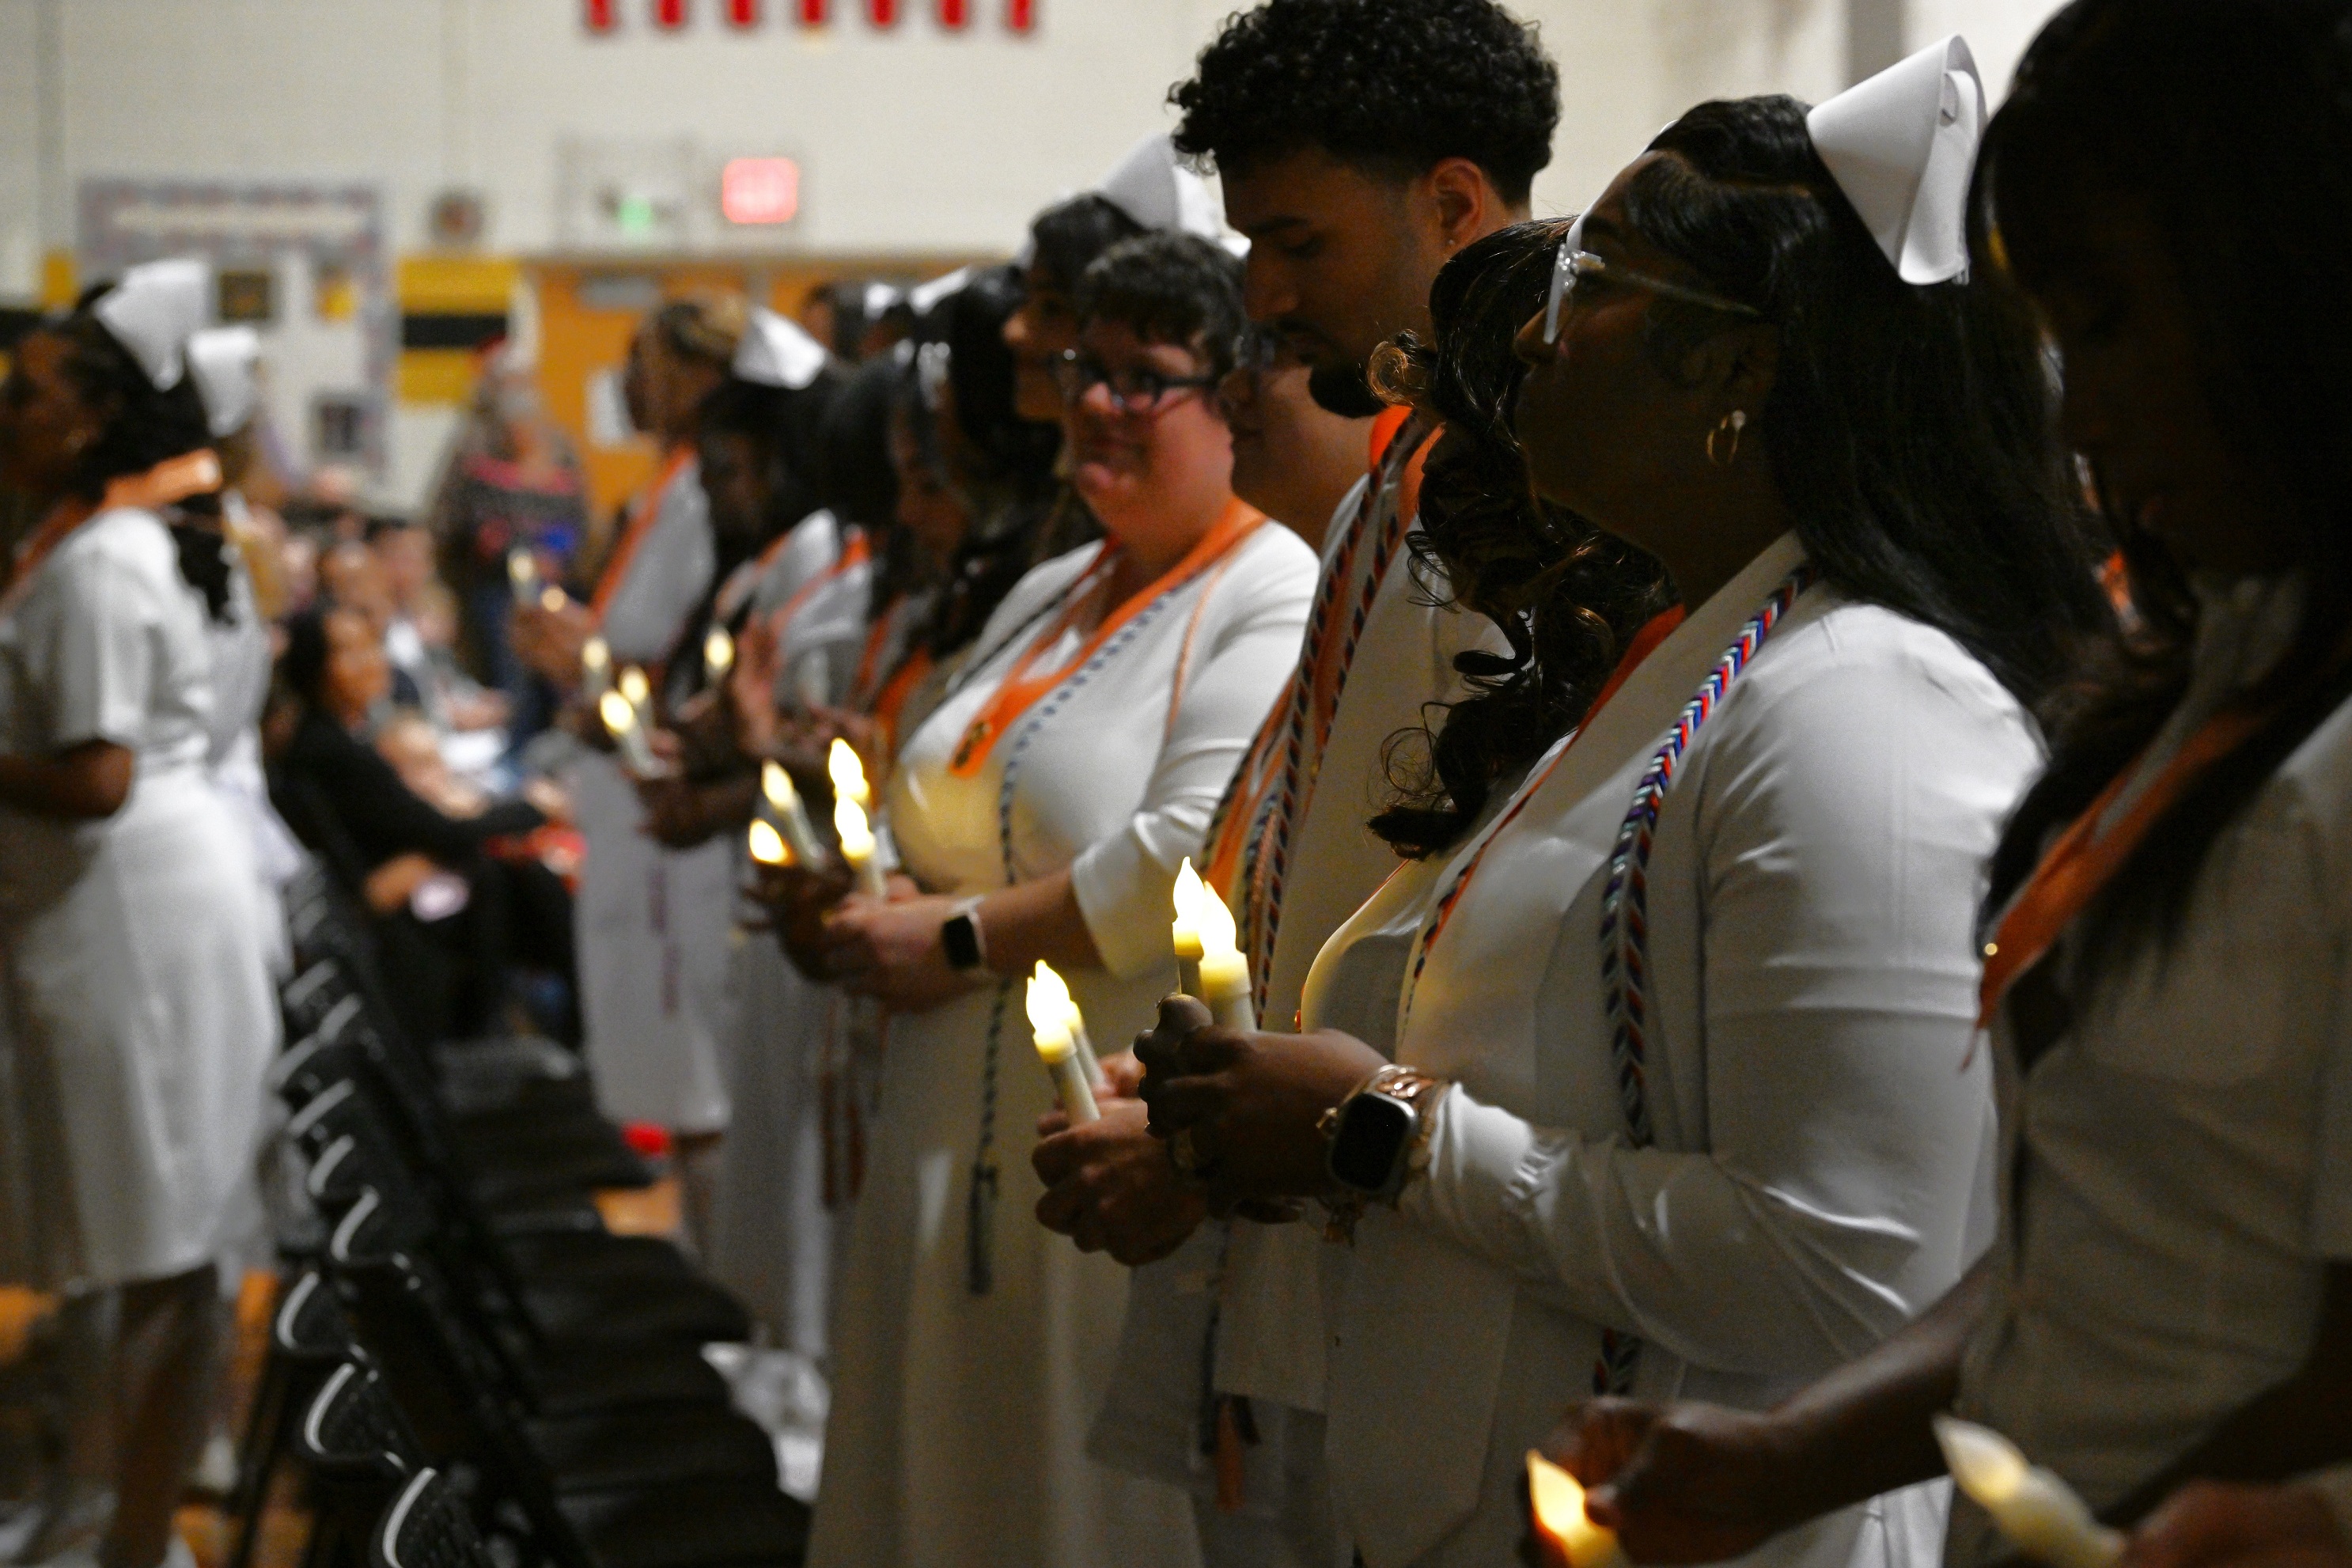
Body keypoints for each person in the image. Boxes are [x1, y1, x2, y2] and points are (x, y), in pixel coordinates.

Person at [1138, 47, 2119, 1567]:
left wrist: (1377, 1134)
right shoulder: (1697, 660)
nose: (1532, 334)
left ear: (1735, 369)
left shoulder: (1859, 705)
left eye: (1588, 282)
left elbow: (1853, 1272)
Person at [1530, 5, 2352, 1562]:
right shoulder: (2211, 677)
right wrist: (1786, 1454)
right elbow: (2078, 1252)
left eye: (2109, 322)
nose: (2079, 416)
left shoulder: (1876, 696)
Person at [1034, 3, 1555, 1559]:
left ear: (1451, 205)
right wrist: (1208, 1111)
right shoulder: (1397, 473)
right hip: (1317, 1197)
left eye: (1295, 243)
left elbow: (1499, 938)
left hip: (1440, 1224)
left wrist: (1247, 1135)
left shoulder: (1556, 503)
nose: (1260, 294)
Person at [803, 232, 1318, 1568]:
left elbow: (1178, 852)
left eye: (1144, 376)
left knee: (1067, 1507)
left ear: (1234, 396)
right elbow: (928, 785)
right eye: (1086, 366)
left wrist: (954, 933)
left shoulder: (1272, 584)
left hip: (1100, 1124)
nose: (1095, 400)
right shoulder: (1054, 582)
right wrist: (874, 880)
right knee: (928, 1486)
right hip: (931, 1114)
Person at [0, 261, 277, 1568]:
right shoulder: (104, 543)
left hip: (135, 913)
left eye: (31, 393)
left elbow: (97, 774)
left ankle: (135, 1536)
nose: (9, 412)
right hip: (134, 904)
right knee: (139, 1237)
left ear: (100, 416)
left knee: (159, 1244)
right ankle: (111, 1513)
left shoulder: (105, 561)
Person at [513, 296, 744, 1242]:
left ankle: (721, 1281)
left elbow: (686, 662)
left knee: (698, 1075)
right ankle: (696, 1258)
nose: (633, 385)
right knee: (669, 1072)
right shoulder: (663, 484)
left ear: (703, 372)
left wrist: (589, 662)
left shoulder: (706, 492)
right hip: (624, 790)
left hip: (671, 808)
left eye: (650, 363)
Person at [270, 604, 577, 1045]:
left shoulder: (342, 734)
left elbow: (426, 828)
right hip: (393, 935)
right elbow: (442, 835)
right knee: (512, 877)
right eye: (348, 652)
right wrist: (535, 806)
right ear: (313, 665)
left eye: (372, 646)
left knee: (523, 877)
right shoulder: (327, 750)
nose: (371, 661)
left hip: (411, 904)